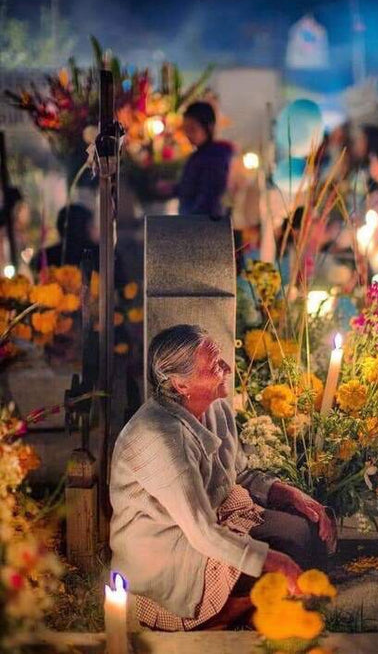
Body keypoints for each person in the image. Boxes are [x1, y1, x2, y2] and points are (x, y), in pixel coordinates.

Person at [109, 325, 335, 631]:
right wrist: (275, 562)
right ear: (180, 385)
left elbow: (238, 473)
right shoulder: (158, 436)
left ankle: (255, 601)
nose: (227, 368)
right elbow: (201, 531)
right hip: (167, 547)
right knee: (277, 568)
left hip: (212, 521)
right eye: (215, 365)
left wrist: (292, 495)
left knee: (299, 533)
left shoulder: (215, 407)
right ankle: (224, 613)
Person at [159, 102, 233, 220]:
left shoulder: (215, 156)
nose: (188, 134)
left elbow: (209, 193)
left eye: (192, 129)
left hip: (202, 225)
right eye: (186, 129)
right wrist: (173, 189)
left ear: (209, 127)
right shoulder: (197, 156)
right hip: (194, 223)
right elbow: (190, 187)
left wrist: (194, 219)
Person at [31, 203, 99, 272]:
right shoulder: (99, 256)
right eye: (92, 225)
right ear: (84, 228)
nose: (96, 229)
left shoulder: (46, 256)